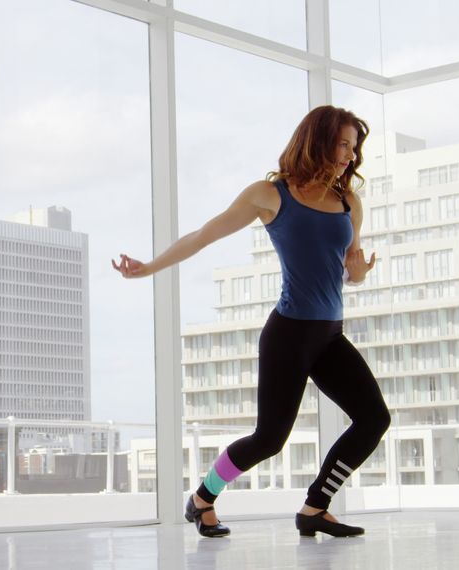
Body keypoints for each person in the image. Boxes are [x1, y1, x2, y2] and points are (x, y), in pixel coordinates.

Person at [112, 105, 391, 539]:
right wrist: (147, 268)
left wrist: (357, 273)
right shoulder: (270, 194)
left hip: (329, 335)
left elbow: (348, 271)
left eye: (353, 148)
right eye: (341, 144)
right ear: (316, 139)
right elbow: (204, 235)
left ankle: (315, 506)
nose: (348, 156)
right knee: (269, 440)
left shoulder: (348, 203)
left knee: (374, 418)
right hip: (289, 335)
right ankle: (203, 498)